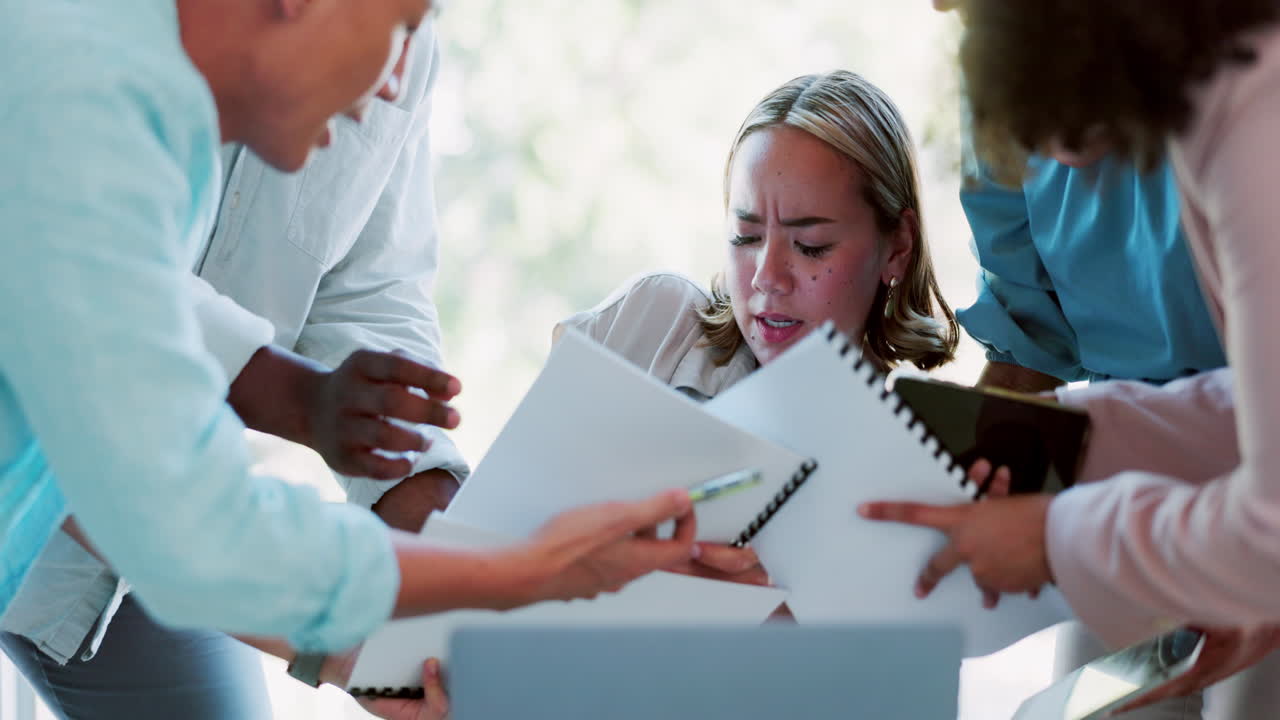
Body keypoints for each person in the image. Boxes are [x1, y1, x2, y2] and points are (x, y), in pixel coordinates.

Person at [0, 3, 697, 719]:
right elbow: (181, 519)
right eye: (400, 23)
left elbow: (150, 474)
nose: (399, 81)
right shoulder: (74, 104)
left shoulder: (163, 126)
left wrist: (426, 560)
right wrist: (531, 572)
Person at [0, 17, 472, 720]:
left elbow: (370, 289)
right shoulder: (76, 76)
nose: (396, 81)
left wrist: (427, 502)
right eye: (399, 23)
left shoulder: (189, 154)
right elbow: (137, 454)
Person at [861, 0, 1280, 712]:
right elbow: (1246, 411)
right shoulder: (1064, 85)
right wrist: (1064, 435)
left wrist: (1058, 536)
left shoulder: (1252, 114)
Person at [555, 69, 959, 581]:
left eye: (811, 246)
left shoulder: (916, 479)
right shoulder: (655, 323)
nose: (767, 278)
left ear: (897, 246)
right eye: (745, 237)